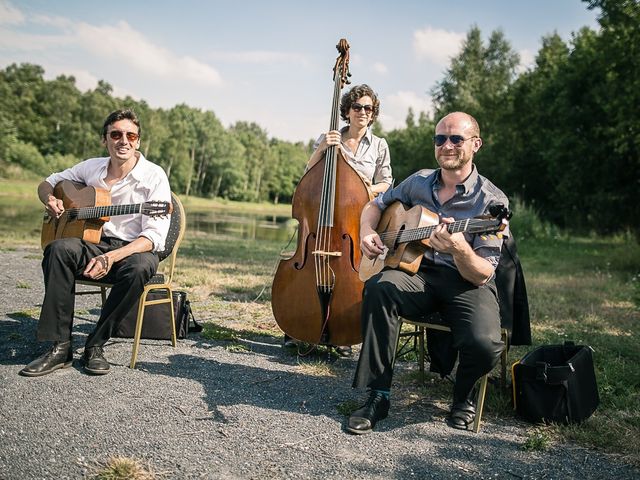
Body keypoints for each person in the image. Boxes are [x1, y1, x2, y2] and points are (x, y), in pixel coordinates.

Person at [347, 111, 507, 433]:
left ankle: (463, 397)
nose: (447, 145)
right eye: (440, 139)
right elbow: (376, 205)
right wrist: (367, 232)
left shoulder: (491, 202)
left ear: (476, 144)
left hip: (467, 282)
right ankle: (378, 395)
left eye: (456, 139)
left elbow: (482, 274)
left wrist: (460, 248)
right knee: (379, 287)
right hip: (416, 272)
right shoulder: (418, 182)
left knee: (484, 343)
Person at [20, 109, 171, 377]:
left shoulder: (154, 175)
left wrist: (111, 258)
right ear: (105, 140)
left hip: (132, 249)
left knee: (139, 268)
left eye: (130, 135)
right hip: (93, 241)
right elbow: (48, 183)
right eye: (116, 134)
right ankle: (60, 347)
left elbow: (153, 238)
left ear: (138, 141)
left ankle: (96, 344)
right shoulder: (91, 167)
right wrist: (50, 200)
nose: (123, 140)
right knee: (58, 249)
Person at [282, 84, 393, 356]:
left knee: (353, 274)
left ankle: (343, 331)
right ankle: (298, 324)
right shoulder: (328, 137)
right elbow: (309, 174)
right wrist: (322, 148)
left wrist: (368, 189)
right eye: (357, 107)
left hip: (357, 220)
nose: (363, 112)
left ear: (373, 112)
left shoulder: (379, 145)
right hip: (322, 221)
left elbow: (387, 184)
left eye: (368, 108)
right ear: (347, 111)